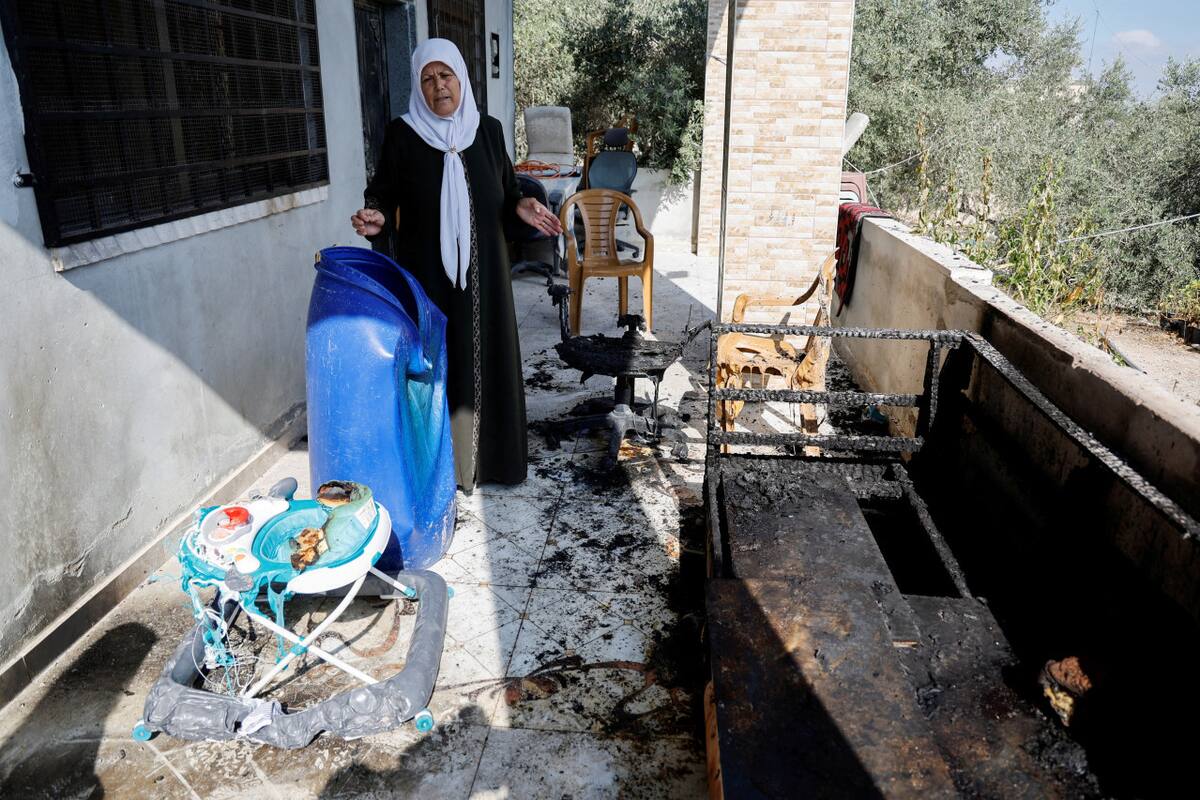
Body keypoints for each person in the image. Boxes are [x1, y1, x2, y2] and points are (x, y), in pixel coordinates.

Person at [351, 39, 561, 493]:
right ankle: (440, 471)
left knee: (487, 360)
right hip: (428, 275)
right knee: (436, 364)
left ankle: (493, 464)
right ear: (418, 87)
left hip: (484, 275)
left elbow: (506, 196)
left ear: (461, 79)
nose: (438, 86)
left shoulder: (487, 131)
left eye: (445, 76)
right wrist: (376, 216)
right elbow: (383, 194)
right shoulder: (403, 135)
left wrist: (522, 205)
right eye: (427, 79)